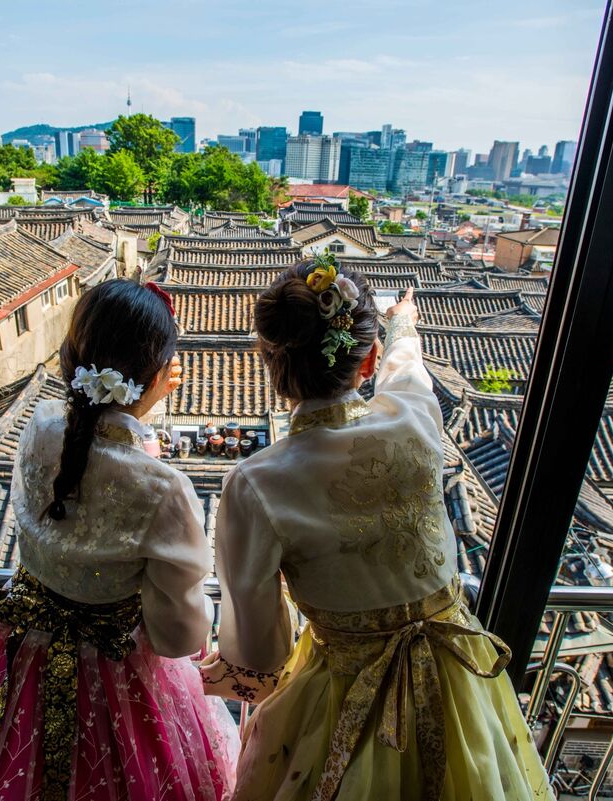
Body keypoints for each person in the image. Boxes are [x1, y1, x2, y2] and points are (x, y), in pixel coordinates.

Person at [206, 257, 552, 800]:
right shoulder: (413, 417)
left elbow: (261, 653)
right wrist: (402, 324)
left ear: (270, 365)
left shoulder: (257, 482)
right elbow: (407, 370)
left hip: (343, 693)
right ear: (367, 360)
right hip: (459, 678)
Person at [0, 280, 238, 801]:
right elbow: (177, 637)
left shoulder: (40, 425)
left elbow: (91, 445)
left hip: (22, 654)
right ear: (152, 376)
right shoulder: (162, 489)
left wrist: (140, 394)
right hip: (114, 680)